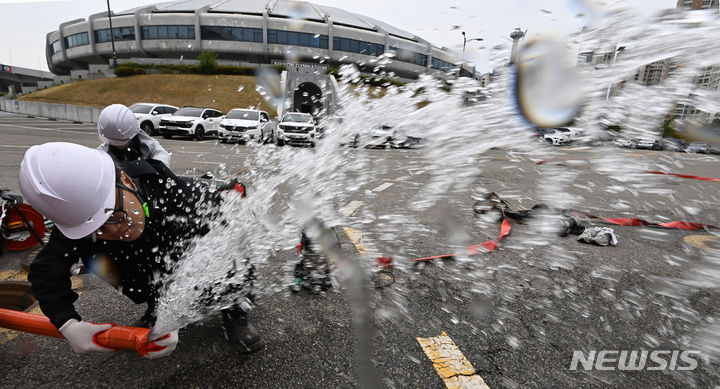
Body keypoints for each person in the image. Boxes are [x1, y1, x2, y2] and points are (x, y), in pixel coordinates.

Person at [20, 142, 259, 358]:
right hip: (151, 273)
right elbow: (45, 272)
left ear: (125, 180)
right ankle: (157, 305)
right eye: (97, 229)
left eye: (114, 216)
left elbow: (231, 251)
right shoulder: (79, 218)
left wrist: (185, 304)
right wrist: (67, 324)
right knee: (110, 261)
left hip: (196, 265)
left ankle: (234, 311)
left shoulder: (181, 197)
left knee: (227, 266)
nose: (112, 232)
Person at [97, 104, 172, 167]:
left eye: (121, 142)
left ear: (133, 135)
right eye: (113, 141)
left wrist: (157, 168)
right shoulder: (101, 154)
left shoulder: (147, 144)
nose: (118, 146)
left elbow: (162, 155)